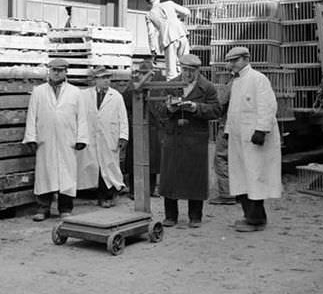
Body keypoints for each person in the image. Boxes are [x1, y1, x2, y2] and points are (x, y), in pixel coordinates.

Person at [157, 54, 221, 228]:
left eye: (191, 71)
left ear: (198, 70)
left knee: (195, 178)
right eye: (185, 70)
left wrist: (196, 108)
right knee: (170, 177)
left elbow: (216, 110)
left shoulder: (207, 88)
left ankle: (195, 216)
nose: (187, 74)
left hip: (195, 139)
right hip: (174, 137)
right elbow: (159, 110)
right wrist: (169, 108)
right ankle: (170, 216)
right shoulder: (172, 85)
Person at [223, 47, 282, 233]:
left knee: (255, 178)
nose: (231, 64)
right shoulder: (236, 82)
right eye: (230, 61)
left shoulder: (258, 79)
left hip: (255, 140)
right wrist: (227, 130)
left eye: (235, 60)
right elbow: (233, 110)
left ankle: (257, 219)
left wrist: (261, 130)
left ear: (246, 59)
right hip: (239, 138)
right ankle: (248, 216)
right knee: (241, 178)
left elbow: (268, 106)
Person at [23, 58, 88, 221]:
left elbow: (82, 117)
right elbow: (32, 116)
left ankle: (65, 208)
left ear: (66, 72)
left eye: (60, 70)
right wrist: (31, 137)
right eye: (53, 70)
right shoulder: (39, 91)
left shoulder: (75, 92)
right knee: (45, 172)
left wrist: (82, 138)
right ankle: (43, 208)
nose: (56, 73)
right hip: (45, 139)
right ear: (49, 71)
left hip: (68, 140)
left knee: (67, 174)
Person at [77, 66, 129, 208]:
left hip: (109, 137)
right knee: (95, 167)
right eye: (103, 78)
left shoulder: (116, 96)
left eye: (108, 78)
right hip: (92, 136)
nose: (107, 81)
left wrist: (123, 136)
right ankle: (98, 196)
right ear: (96, 80)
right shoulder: (84, 95)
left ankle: (108, 196)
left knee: (110, 166)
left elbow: (123, 118)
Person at [121, 60, 165, 198]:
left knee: (153, 161)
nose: (146, 77)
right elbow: (126, 103)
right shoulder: (132, 88)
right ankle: (134, 190)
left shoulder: (158, 89)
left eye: (149, 74)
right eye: (143, 74)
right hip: (137, 129)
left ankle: (151, 189)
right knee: (135, 160)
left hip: (153, 129)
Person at [145, 0, 191, 80]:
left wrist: (153, 49)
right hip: (181, 34)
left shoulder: (149, 15)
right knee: (186, 65)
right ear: (158, 0)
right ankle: (188, 86)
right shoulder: (169, 3)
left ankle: (173, 90)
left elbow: (151, 34)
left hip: (168, 39)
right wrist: (177, 18)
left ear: (149, 4)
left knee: (171, 70)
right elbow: (187, 12)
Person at [210, 73, 237, 205]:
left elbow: (221, 104)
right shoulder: (253, 82)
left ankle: (226, 194)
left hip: (228, 126)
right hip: (244, 129)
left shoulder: (232, 84)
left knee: (221, 158)